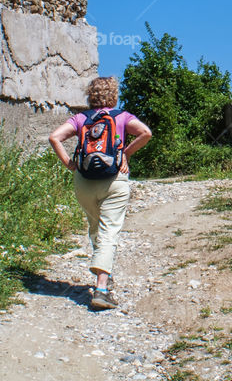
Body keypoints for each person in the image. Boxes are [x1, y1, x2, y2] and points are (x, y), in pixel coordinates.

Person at [48, 77, 152, 310]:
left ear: (90, 96)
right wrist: (125, 153)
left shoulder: (80, 119)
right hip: (114, 180)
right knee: (109, 231)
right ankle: (102, 289)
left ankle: (104, 272)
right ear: (114, 96)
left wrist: (68, 162)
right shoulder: (122, 117)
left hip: (84, 182)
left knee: (95, 228)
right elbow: (145, 133)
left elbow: (54, 137)